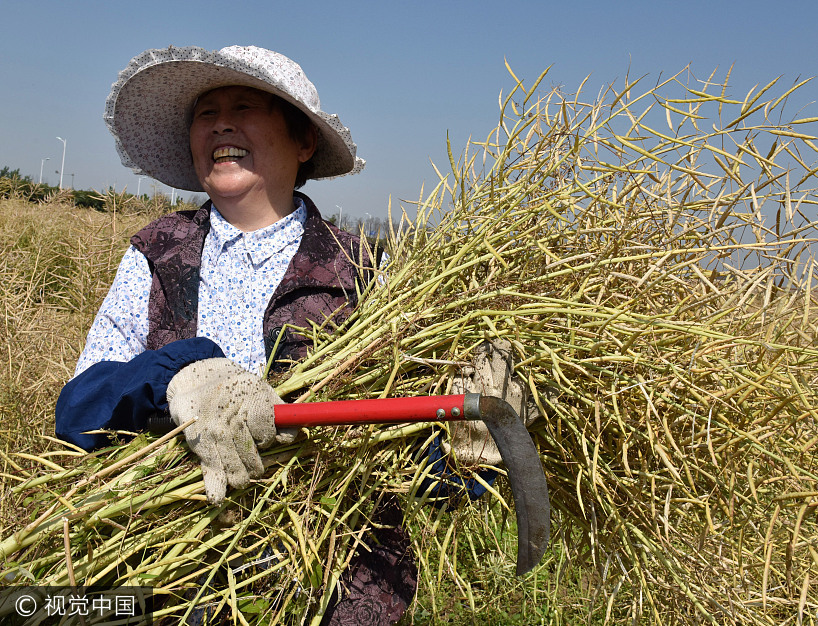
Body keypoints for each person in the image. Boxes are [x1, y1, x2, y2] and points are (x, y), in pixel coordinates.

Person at [53, 44, 511, 624]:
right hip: (166, 582)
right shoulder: (155, 255)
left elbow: (400, 456)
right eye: (205, 111)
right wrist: (178, 376)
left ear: (303, 141)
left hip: (329, 590)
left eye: (245, 104)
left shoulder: (367, 274)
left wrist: (463, 458)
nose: (221, 122)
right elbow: (78, 413)